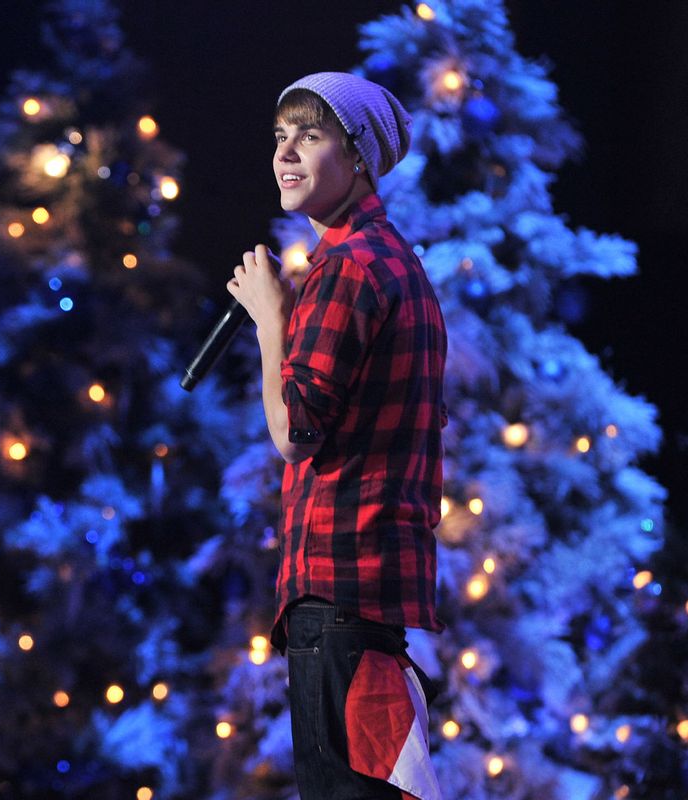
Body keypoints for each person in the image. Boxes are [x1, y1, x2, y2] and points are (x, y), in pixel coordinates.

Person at [226, 72, 447, 800]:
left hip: (340, 605)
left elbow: (294, 432)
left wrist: (269, 323)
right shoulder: (390, 260)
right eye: (280, 136)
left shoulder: (350, 268)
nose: (285, 152)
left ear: (358, 157)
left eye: (310, 135)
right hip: (362, 608)